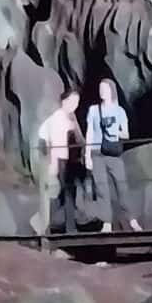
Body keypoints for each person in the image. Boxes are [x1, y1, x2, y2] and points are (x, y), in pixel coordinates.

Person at [83, 79, 142, 231]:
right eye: (100, 88)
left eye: (105, 88)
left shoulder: (119, 111)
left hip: (114, 153)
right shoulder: (94, 110)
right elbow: (90, 133)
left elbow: (126, 134)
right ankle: (107, 222)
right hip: (97, 152)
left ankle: (132, 219)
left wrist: (115, 133)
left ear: (112, 90)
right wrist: (87, 155)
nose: (102, 91)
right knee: (102, 189)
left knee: (122, 186)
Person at [35, 89, 87, 235]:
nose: (74, 105)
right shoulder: (58, 117)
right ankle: (68, 228)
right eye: (71, 101)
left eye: (76, 102)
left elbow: (79, 139)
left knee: (66, 194)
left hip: (71, 159)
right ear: (64, 101)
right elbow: (54, 142)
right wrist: (54, 164)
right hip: (61, 159)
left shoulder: (71, 117)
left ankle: (42, 222)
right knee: (66, 193)